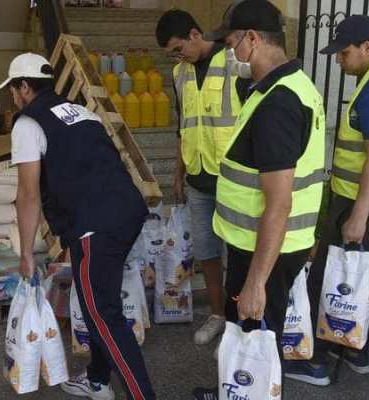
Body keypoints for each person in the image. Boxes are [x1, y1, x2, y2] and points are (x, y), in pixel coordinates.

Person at [0, 53, 155, 400]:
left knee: (102, 313)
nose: (13, 96)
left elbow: (28, 194)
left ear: (24, 87)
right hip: (126, 211)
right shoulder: (81, 112)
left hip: (95, 224)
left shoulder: (28, 123)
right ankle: (98, 378)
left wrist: (25, 253)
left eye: (13, 88)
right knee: (99, 303)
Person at [192, 0, 326, 398]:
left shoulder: (279, 102)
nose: (230, 54)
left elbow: (280, 202)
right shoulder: (285, 86)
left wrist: (255, 282)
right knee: (252, 335)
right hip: (264, 244)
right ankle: (234, 391)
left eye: (232, 43)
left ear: (253, 39)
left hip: (263, 250)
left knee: (258, 334)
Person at [284, 15, 369, 386]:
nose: (339, 60)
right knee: (360, 279)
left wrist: (357, 216)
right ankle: (354, 350)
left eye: (344, 53)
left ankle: (316, 361)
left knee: (332, 278)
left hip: (366, 205)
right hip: (367, 203)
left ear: (368, 48)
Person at [155, 8, 251, 348]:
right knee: (207, 253)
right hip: (198, 178)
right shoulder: (180, 74)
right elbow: (183, 128)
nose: (177, 57)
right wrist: (178, 176)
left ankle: (241, 328)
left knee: (238, 254)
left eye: (179, 48)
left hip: (233, 178)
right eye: (171, 54)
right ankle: (217, 315)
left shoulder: (234, 60)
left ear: (196, 35)